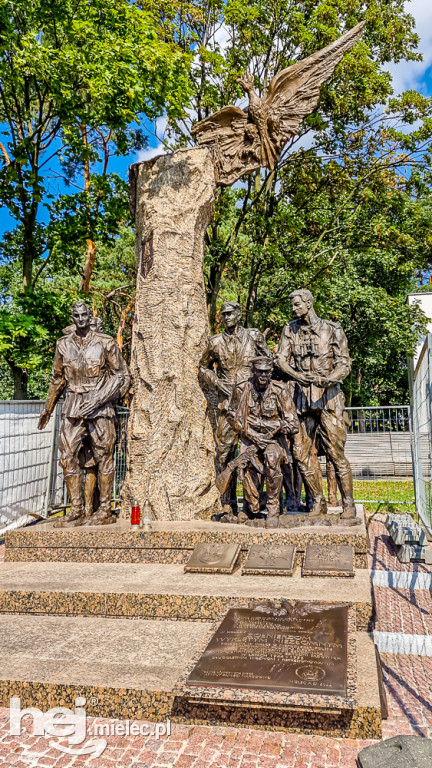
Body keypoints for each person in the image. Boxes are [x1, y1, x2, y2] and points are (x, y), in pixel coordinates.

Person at [38, 301, 131, 526]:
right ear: (72, 318)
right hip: (72, 406)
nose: (81, 319)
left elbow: (122, 375)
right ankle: (76, 509)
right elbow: (58, 379)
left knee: (103, 458)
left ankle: (105, 509)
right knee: (67, 456)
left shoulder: (105, 343)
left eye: (84, 314)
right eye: (77, 315)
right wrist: (48, 408)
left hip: (100, 407)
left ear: (90, 316)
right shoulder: (63, 345)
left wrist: (99, 399)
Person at [274, 289, 355, 519]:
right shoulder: (290, 329)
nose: (293, 308)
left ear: (309, 303)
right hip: (302, 397)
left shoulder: (332, 329)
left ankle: (348, 503)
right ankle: (318, 501)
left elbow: (344, 363)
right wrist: (296, 375)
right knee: (301, 453)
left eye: (297, 304)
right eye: (292, 305)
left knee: (335, 452)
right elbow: (280, 359)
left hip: (329, 397)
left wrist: (330, 378)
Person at [199, 301, 271, 511]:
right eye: (224, 314)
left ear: (239, 314)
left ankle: (253, 502)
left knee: (254, 453)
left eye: (231, 313)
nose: (227, 317)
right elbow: (203, 367)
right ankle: (228, 502)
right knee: (224, 453)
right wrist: (216, 382)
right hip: (228, 406)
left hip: (252, 404)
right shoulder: (215, 342)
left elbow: (268, 362)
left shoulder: (254, 336)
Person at [226, 356, 300, 528]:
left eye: (266, 372)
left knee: (272, 458)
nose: (262, 375)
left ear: (271, 372)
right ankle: (250, 506)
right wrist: (252, 434)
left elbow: (293, 424)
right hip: (249, 438)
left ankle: (273, 508)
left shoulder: (280, 390)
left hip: (273, 440)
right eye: (259, 371)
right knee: (247, 467)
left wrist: (270, 426)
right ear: (253, 371)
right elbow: (232, 415)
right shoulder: (242, 388)